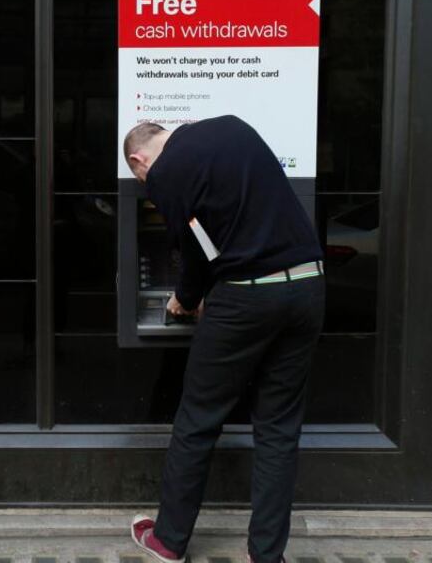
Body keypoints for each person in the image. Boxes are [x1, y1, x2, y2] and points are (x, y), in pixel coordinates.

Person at [123, 116, 325, 563]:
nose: (146, 183)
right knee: (278, 429)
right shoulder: (233, 127)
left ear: (140, 159)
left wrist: (185, 298)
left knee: (197, 418)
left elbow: (195, 248)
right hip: (308, 285)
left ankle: (169, 540)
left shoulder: (165, 172)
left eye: (140, 177)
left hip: (248, 297)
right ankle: (266, 554)